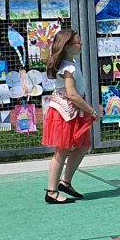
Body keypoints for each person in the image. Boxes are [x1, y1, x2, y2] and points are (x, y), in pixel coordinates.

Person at [40, 28, 95, 205]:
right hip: (65, 112)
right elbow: (71, 94)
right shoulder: (68, 67)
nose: (81, 44)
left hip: (72, 111)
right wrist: (90, 110)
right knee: (62, 150)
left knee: (83, 145)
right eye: (78, 42)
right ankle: (52, 191)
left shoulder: (71, 63)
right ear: (68, 46)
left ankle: (65, 182)